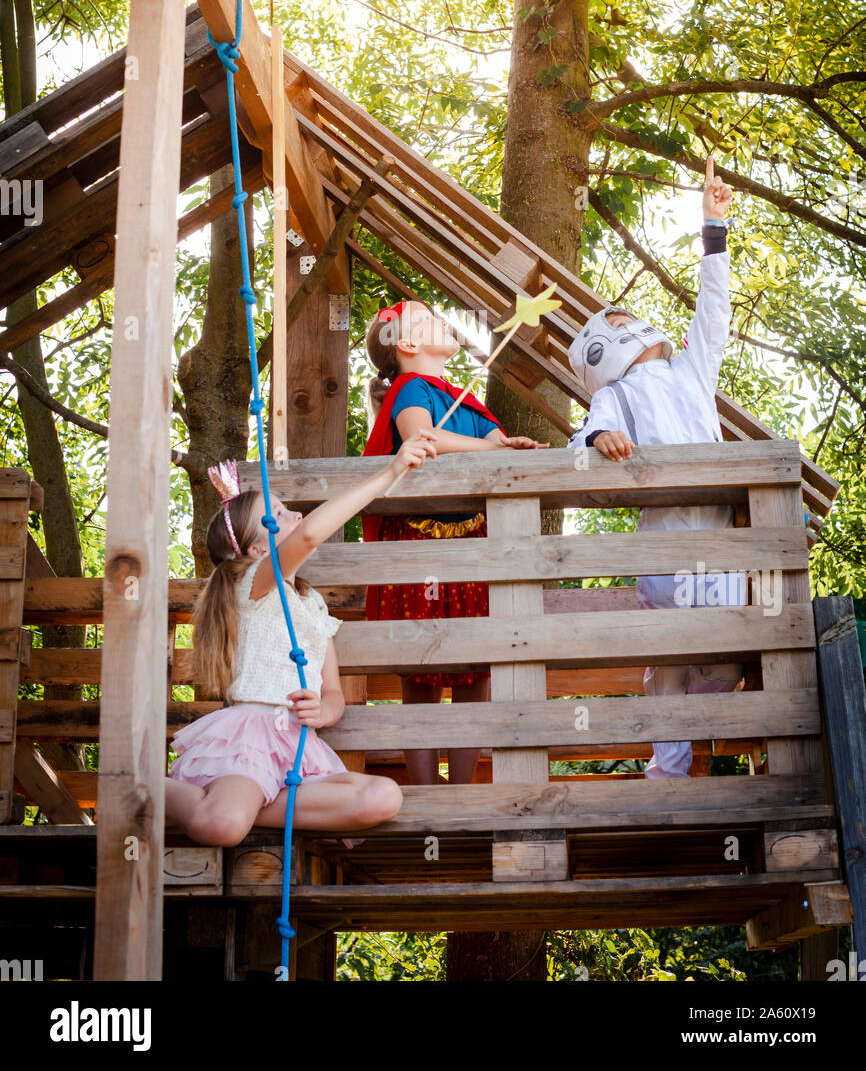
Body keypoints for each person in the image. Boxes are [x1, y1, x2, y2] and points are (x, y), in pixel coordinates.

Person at [165, 430, 437, 845]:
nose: (294, 516)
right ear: (258, 552)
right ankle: (145, 788)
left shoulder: (311, 606)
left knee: (382, 798)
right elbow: (309, 535)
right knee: (220, 826)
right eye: (279, 514)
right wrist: (392, 470)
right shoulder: (253, 586)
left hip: (298, 748)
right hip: (251, 742)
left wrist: (323, 712)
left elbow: (332, 692)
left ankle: (250, 806)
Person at [568, 157, 745, 779]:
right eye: (620, 321)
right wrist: (602, 438)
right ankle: (668, 766)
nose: (634, 322)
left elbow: (714, 312)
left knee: (729, 658)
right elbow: (583, 439)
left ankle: (692, 731)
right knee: (670, 658)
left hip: (721, 543)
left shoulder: (690, 373)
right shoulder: (613, 393)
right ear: (605, 346)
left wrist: (713, 229)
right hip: (666, 546)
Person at [363, 299, 548, 786]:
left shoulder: (465, 400)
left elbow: (496, 442)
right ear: (406, 344)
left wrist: (511, 446)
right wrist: (489, 447)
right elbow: (422, 438)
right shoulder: (410, 387)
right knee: (420, 669)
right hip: (417, 545)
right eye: (429, 319)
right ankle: (426, 794)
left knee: (477, 670)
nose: (444, 323)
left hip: (473, 544)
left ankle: (462, 791)